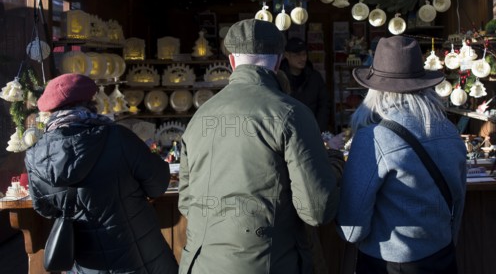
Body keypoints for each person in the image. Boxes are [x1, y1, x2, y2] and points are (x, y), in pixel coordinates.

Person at [178, 19, 340, 274]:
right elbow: (317, 210)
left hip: (200, 263)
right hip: (269, 262)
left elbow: (186, 200)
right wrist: (335, 166)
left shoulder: (200, 116)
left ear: (232, 62)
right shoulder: (292, 114)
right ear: (277, 62)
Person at [336, 36, 467, 274]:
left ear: (374, 89)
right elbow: (457, 203)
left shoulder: (373, 137)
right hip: (443, 254)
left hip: (389, 261)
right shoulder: (449, 130)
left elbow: (352, 229)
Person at [25, 73, 178, 274]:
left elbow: (44, 207)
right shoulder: (119, 138)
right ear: (91, 103)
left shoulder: (35, 157)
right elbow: (158, 184)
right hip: (141, 259)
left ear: (51, 111)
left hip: (87, 266)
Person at [280, 37, 330, 132]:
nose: (302, 58)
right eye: (297, 55)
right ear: (287, 55)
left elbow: (324, 104)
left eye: (304, 54)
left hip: (312, 129)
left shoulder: (315, 77)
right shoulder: (279, 78)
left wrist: (318, 129)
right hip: (287, 131)